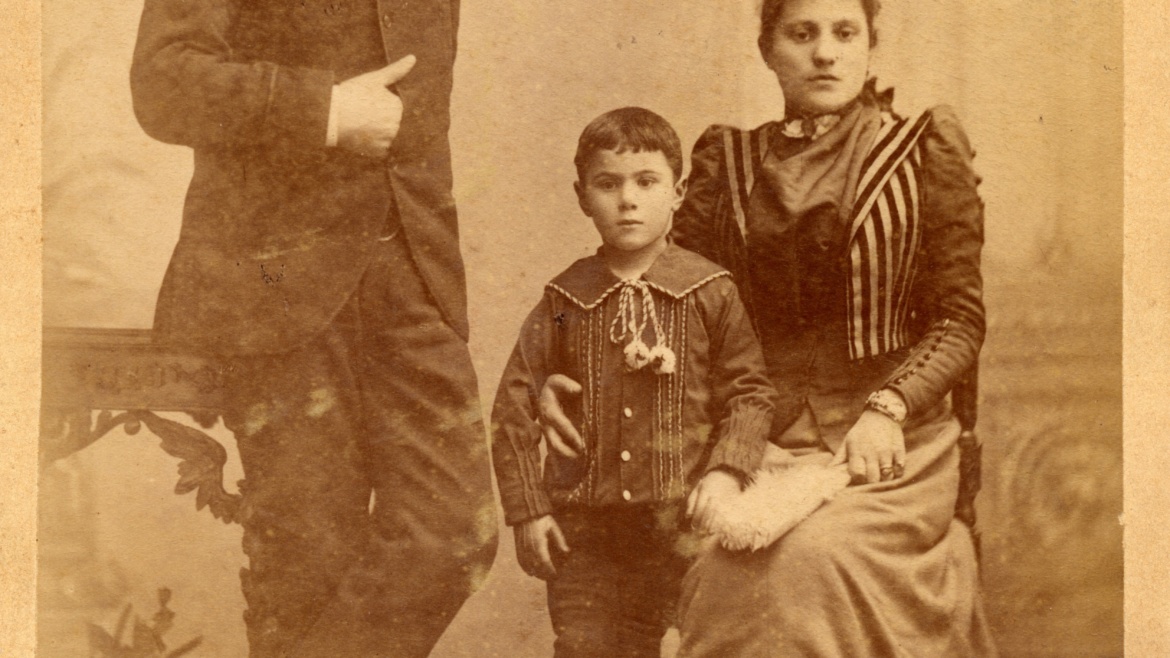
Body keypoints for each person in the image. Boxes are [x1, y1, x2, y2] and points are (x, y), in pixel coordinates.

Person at [540, 0, 997, 655]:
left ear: (871, 42)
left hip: (889, 448)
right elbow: (674, 311)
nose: (825, 52)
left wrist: (889, 406)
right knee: (714, 563)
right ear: (767, 48)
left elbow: (958, 319)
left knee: (800, 565)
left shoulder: (920, 147)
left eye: (845, 33)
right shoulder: (730, 160)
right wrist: (574, 377)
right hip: (757, 439)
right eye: (801, 33)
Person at [129, 2, 497, 656]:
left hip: (411, 272)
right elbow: (162, 81)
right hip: (277, 284)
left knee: (452, 535)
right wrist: (325, 110)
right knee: (307, 572)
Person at [491, 107, 778, 658]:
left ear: (678, 191)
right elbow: (514, 405)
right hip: (584, 530)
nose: (628, 200)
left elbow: (749, 392)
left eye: (647, 182)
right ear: (582, 196)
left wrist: (726, 472)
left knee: (711, 642)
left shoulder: (710, 291)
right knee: (586, 647)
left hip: (682, 523)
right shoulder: (564, 300)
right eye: (608, 183)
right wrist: (530, 510)